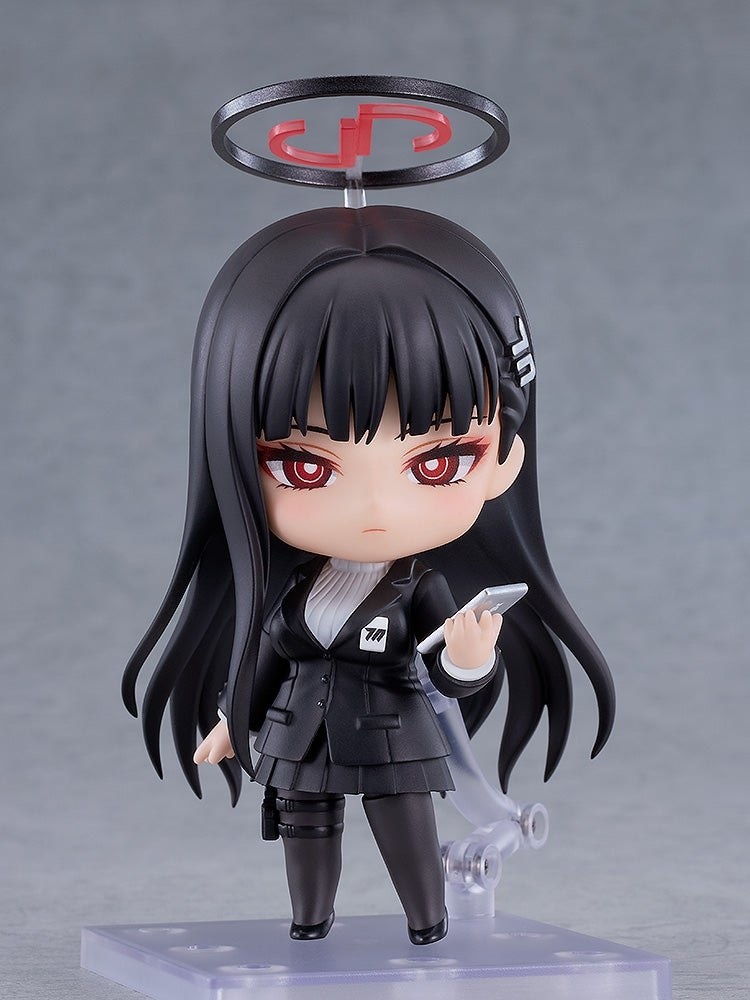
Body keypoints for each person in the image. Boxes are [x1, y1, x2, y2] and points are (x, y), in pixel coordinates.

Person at [122, 204, 615, 944]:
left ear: (504, 458)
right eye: (304, 465)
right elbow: (266, 655)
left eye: (438, 462)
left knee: (403, 825)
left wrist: (468, 659)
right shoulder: (294, 590)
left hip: (393, 734)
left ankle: (427, 924)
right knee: (305, 827)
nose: (376, 508)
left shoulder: (422, 588)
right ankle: (309, 924)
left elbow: (443, 677)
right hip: (298, 731)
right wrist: (232, 720)